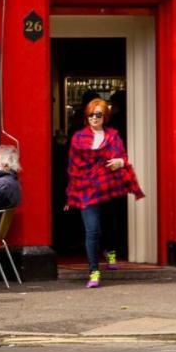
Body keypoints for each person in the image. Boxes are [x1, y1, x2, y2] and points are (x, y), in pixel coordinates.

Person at [65, 97, 144, 289]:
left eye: (98, 114)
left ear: (105, 116)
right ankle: (94, 272)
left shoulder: (113, 136)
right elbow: (73, 168)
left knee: (110, 223)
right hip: (86, 189)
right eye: (91, 114)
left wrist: (120, 163)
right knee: (92, 230)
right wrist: (71, 193)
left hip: (109, 186)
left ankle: (111, 252)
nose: (94, 118)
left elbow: (123, 158)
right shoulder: (78, 138)